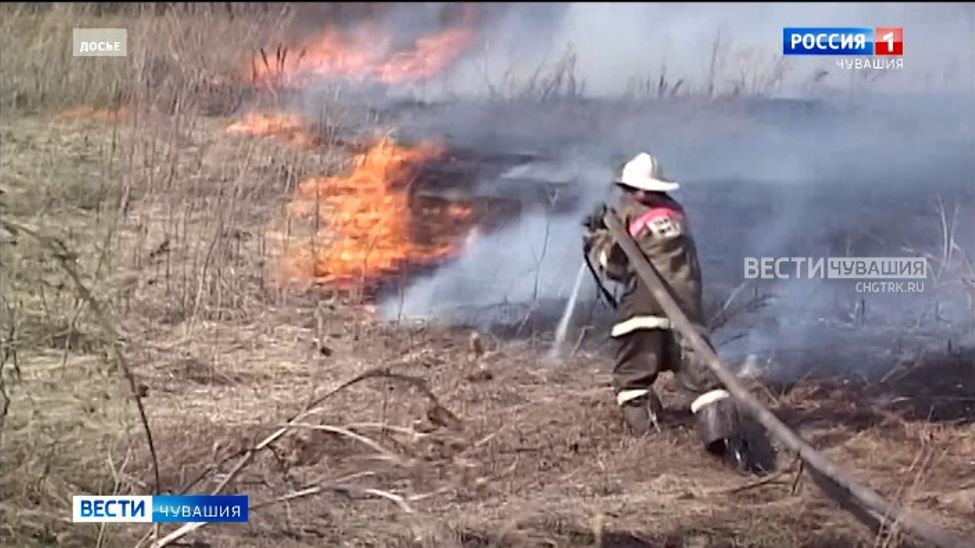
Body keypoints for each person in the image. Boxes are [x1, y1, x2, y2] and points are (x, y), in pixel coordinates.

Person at [582, 152, 749, 470]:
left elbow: (616, 266)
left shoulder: (629, 211)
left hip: (644, 310)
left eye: (626, 189)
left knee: (632, 379)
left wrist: (598, 238)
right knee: (705, 383)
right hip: (687, 311)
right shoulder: (676, 212)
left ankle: (653, 447)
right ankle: (732, 450)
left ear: (636, 190)